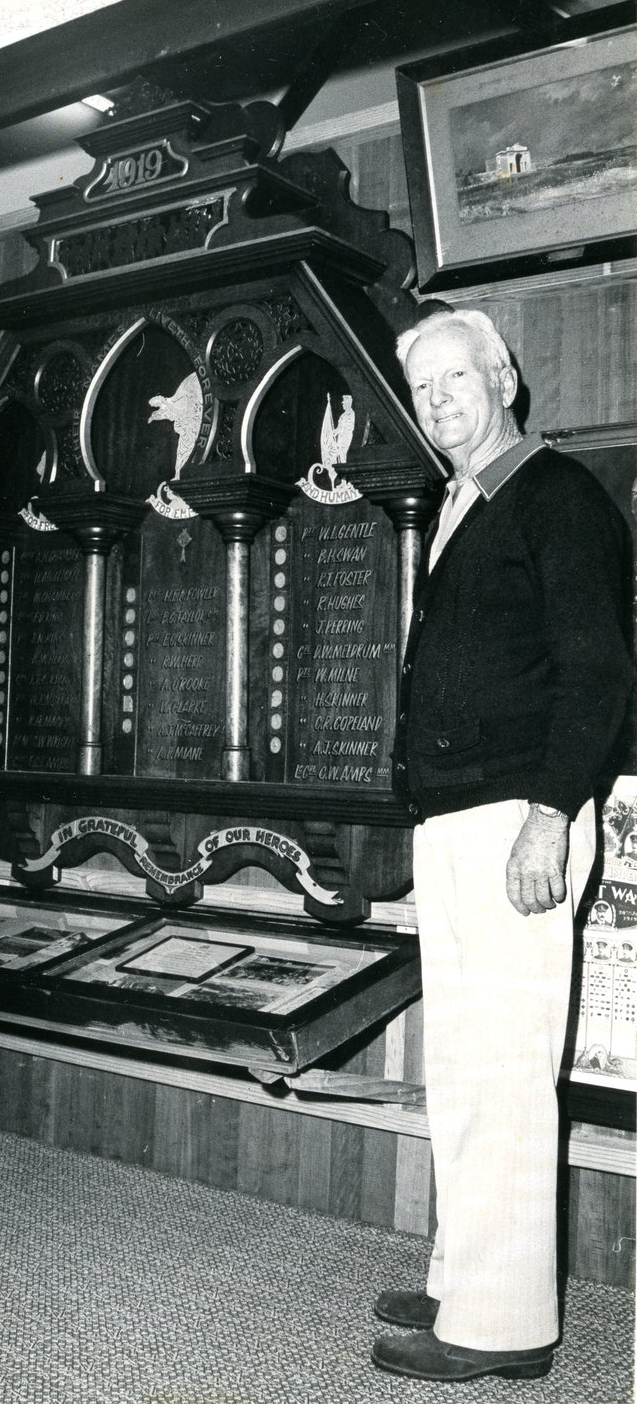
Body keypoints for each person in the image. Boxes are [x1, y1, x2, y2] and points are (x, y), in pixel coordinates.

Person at [373, 308, 632, 1382]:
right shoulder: (462, 501)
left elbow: (600, 669)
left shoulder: (556, 497)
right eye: (423, 390)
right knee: (466, 1066)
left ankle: (503, 1323)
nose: (439, 404)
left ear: (503, 376)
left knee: (508, 1069)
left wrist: (548, 811)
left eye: (456, 381)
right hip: (458, 815)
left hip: (515, 817)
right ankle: (463, 1275)